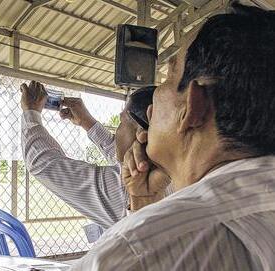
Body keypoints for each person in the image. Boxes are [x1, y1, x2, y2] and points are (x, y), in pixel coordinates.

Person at [67, 2, 275, 270]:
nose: (151, 109)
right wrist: (144, 204)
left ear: (192, 106)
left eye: (167, 78)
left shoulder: (133, 252)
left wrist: (147, 223)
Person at [21, 83, 171, 229]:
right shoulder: (174, 172)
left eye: (121, 123)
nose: (117, 132)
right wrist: (87, 122)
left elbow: (41, 163)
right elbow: (122, 155)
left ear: (141, 134)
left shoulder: (133, 186)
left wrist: (31, 111)